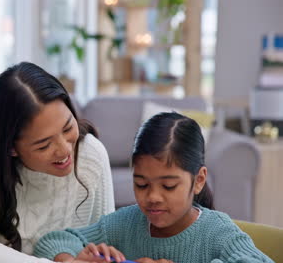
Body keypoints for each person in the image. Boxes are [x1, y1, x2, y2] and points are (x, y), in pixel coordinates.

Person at [34, 112, 274, 263]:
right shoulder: (124, 224)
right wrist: (71, 259)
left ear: (198, 180)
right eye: (141, 184)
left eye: (168, 186)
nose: (153, 197)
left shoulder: (217, 232)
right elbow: (53, 241)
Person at [0, 62, 115, 263]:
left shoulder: (92, 154)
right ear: (11, 148)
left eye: (68, 128)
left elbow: (107, 241)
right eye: (44, 145)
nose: (64, 149)